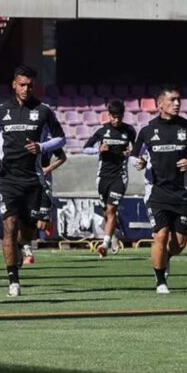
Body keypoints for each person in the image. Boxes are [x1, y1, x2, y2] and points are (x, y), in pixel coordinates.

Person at [0, 65, 66, 297]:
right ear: (14, 84)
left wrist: (42, 146)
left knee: (27, 232)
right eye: (22, 84)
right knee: (9, 227)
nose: (26, 89)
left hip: (33, 181)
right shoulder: (1, 111)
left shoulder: (43, 111)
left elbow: (61, 138)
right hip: (7, 179)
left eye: (30, 85)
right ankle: (13, 280)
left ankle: (22, 247)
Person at [132, 85, 187, 294]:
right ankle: (160, 281)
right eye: (172, 100)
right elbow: (134, 156)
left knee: (179, 244)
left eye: (178, 100)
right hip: (156, 192)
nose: (176, 104)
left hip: (180, 192)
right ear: (160, 104)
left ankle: (165, 258)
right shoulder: (147, 130)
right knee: (161, 234)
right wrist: (137, 162)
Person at [83, 100, 137, 257]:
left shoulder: (129, 131)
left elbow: (137, 151)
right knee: (107, 212)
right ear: (109, 115)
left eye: (119, 117)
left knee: (112, 208)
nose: (116, 120)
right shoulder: (101, 131)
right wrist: (98, 149)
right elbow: (85, 148)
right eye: (113, 117)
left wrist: (131, 155)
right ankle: (112, 233)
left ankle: (104, 244)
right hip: (102, 177)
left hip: (120, 176)